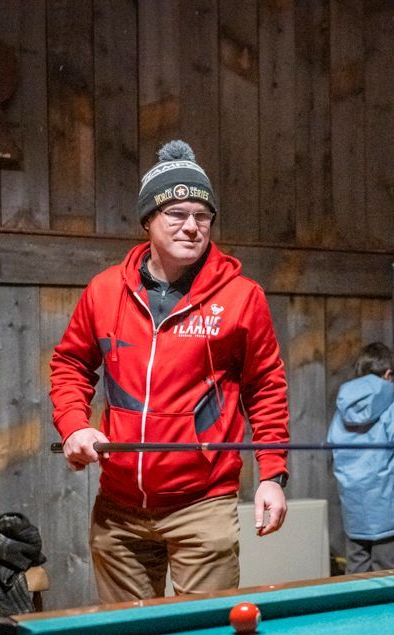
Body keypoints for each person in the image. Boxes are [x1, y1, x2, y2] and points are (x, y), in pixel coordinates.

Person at [50, 140, 290, 602]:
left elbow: (266, 389)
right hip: (117, 510)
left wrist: (271, 476)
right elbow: (70, 364)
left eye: (202, 215)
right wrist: (74, 426)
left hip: (203, 503)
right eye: (175, 214)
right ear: (148, 221)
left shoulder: (243, 297)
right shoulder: (103, 291)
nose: (191, 226)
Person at [328, 343, 394, 573]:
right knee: (386, 573)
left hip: (355, 507)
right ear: (388, 375)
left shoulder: (341, 412)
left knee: (356, 573)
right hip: (390, 508)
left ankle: (355, 610)